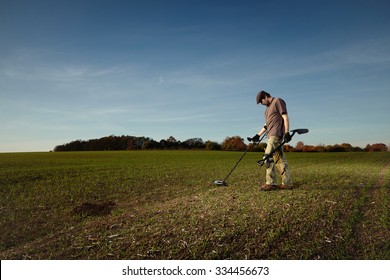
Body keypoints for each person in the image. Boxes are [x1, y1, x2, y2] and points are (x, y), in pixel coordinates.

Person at [249, 90, 293, 191]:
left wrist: (287, 132)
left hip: (276, 134)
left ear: (265, 96)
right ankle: (287, 183)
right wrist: (257, 135)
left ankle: (271, 183)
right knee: (279, 159)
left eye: (261, 101)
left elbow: (285, 116)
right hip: (271, 135)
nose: (262, 104)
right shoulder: (267, 110)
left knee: (267, 156)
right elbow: (266, 125)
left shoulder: (277, 101)